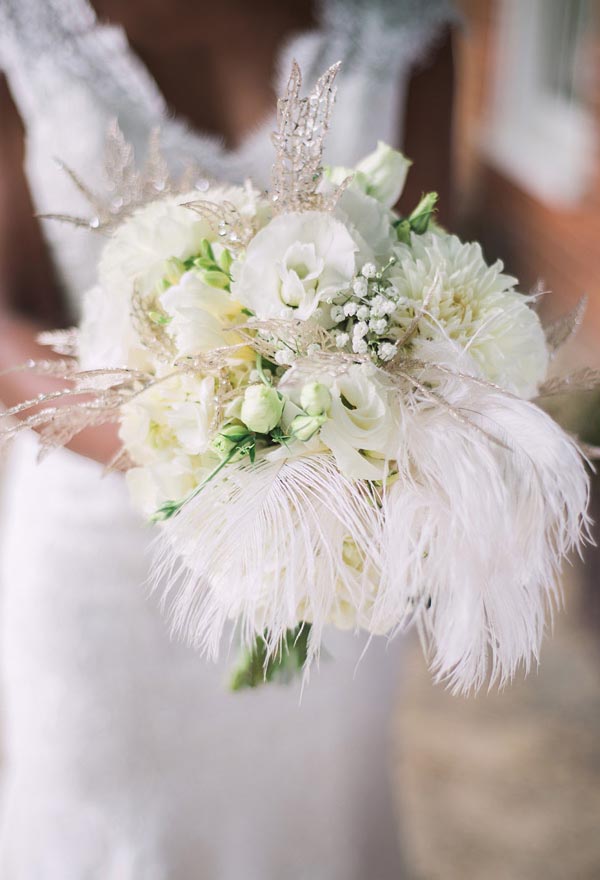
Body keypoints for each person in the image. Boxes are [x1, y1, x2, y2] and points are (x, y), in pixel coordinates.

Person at [0, 1, 456, 876]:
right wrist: (210, 451)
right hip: (103, 559)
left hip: (331, 553)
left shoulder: (405, 26)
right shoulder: (24, 26)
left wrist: (329, 457)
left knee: (308, 819)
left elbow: (430, 282)